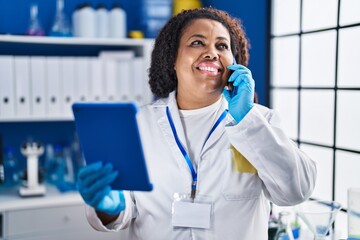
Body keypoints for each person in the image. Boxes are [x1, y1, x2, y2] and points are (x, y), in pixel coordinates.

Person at [77, 7, 316, 240]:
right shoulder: (137, 125)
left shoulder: (261, 122)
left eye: (222, 46)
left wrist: (247, 119)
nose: (212, 53)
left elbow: (297, 191)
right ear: (173, 59)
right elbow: (123, 210)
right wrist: (110, 206)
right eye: (197, 43)